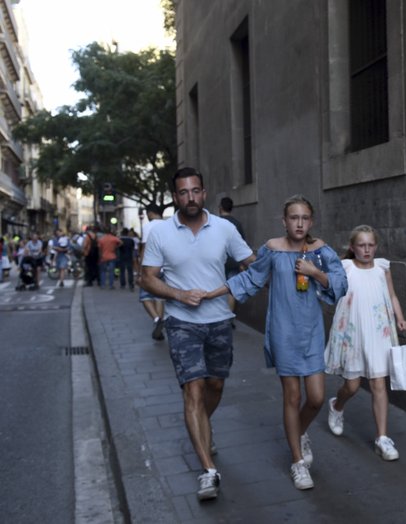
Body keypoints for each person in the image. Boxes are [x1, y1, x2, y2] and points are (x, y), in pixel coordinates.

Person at [207, 195, 347, 491]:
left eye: (304, 218)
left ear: (311, 221)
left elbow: (340, 283)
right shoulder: (272, 249)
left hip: (310, 332)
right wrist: (212, 293)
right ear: (284, 221)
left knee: (318, 398)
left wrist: (315, 273)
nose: (299, 223)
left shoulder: (320, 251)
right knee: (292, 398)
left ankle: (299, 433)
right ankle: (298, 463)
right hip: (283, 331)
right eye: (293, 217)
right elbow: (250, 280)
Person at [140, 167, 254, 501]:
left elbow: (251, 264)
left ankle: (203, 426)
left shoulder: (224, 228)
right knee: (193, 390)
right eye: (183, 192)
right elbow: (147, 278)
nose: (190, 198)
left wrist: (234, 288)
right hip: (181, 321)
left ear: (204, 193)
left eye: (195, 191)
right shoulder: (161, 232)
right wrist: (177, 295)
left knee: (215, 385)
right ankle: (208, 471)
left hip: (220, 320)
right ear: (175, 197)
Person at [324, 225, 406, 461]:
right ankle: (337, 405)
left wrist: (400, 318)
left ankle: (382, 438)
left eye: (371, 245)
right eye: (361, 245)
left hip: (379, 331)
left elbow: (391, 295)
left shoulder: (383, 267)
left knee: (378, 385)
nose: (367, 250)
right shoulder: (346, 267)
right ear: (352, 247)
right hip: (354, 332)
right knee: (351, 386)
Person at [138, 204, 166, 339]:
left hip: (150, 267)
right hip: (165, 267)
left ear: (150, 213)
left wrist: (140, 271)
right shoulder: (168, 225)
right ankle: (159, 324)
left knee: (144, 296)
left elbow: (144, 248)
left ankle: (156, 319)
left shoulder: (148, 226)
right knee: (159, 296)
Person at [217, 197, 246, 321]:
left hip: (219, 262)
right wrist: (242, 263)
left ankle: (219, 317)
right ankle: (229, 318)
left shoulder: (216, 223)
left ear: (220, 207)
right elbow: (242, 245)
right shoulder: (237, 223)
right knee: (231, 290)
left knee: (217, 290)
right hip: (234, 262)